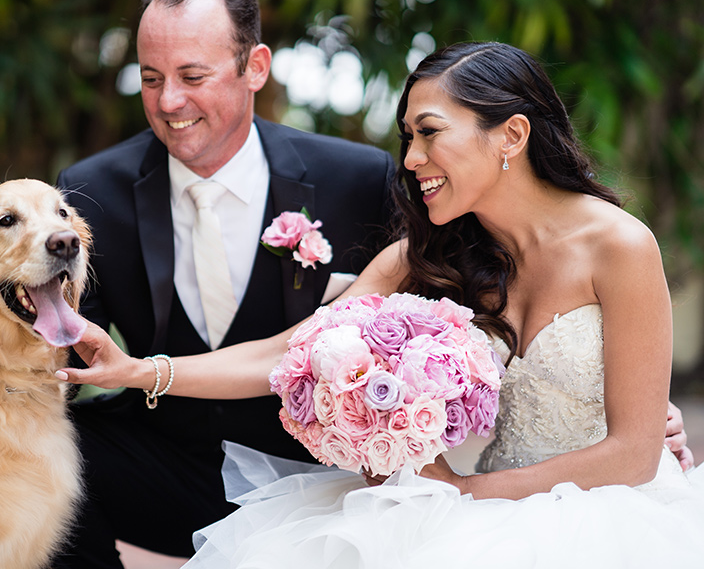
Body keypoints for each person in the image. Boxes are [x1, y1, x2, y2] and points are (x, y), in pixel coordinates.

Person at [58, 41, 704, 567]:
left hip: (597, 517)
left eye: (429, 134)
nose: (411, 159)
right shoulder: (426, 255)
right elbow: (295, 348)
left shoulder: (619, 246)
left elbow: (631, 452)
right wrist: (143, 370)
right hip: (459, 508)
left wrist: (466, 494)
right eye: (406, 138)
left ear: (510, 135)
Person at [51, 0, 397, 567]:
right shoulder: (91, 191)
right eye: (152, 78)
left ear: (255, 67)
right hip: (169, 463)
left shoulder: (359, 181)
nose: (167, 102)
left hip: (317, 478)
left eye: (192, 76)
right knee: (45, 451)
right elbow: (56, 350)